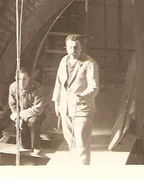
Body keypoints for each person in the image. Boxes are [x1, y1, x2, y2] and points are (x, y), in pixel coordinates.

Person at [52, 33, 99, 165]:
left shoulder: (89, 64)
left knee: (82, 145)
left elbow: (94, 87)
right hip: (65, 108)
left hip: (82, 109)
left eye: (76, 47)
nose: (73, 51)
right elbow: (59, 83)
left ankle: (83, 173)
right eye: (70, 47)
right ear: (66, 48)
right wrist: (56, 102)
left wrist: (83, 96)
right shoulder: (63, 61)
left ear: (81, 47)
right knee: (71, 143)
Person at [8, 66, 45, 156]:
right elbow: (12, 104)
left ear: (29, 78)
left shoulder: (37, 87)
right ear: (15, 78)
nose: (21, 82)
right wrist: (17, 117)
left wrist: (20, 114)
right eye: (19, 79)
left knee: (33, 121)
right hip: (21, 114)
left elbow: (38, 108)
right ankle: (26, 144)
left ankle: (37, 145)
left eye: (24, 79)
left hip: (35, 113)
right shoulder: (13, 87)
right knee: (24, 145)